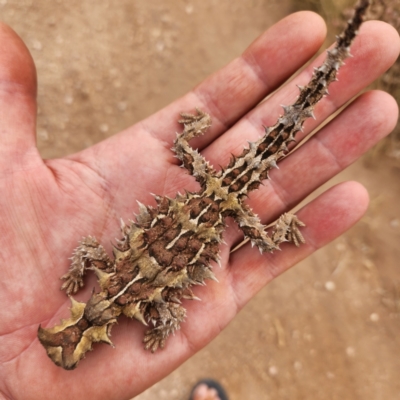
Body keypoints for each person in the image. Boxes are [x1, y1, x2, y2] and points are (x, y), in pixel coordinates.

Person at [0, 9, 398, 400]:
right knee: (232, 167)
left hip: (212, 198)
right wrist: (78, 276)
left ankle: (341, 48)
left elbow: (168, 314)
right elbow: (88, 250)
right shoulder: (108, 274)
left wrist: (159, 329)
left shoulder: (144, 302)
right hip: (210, 193)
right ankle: (341, 45)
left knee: (276, 184)